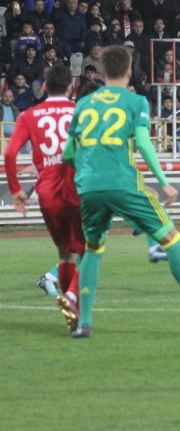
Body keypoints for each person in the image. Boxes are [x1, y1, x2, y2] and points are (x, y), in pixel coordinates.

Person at [62, 46, 180, 337]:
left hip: (88, 187)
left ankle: (84, 322)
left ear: (102, 72)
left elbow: (68, 154)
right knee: (171, 238)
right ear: (129, 72)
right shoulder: (136, 101)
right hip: (123, 182)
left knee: (93, 249)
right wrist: (164, 181)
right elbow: (143, 142)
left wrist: (89, 172)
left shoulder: (83, 103)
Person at [4, 65, 83, 331]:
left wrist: (16, 190)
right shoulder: (80, 111)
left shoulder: (29, 115)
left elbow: (10, 154)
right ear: (71, 87)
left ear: (45, 87)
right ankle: (73, 300)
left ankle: (73, 318)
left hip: (47, 194)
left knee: (65, 256)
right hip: (78, 189)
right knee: (91, 252)